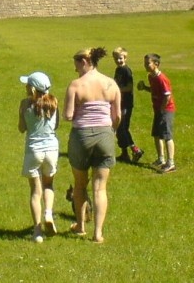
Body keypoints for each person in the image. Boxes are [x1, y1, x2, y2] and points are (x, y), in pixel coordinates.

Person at [63, 47, 121, 244]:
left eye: (76, 65)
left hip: (82, 136)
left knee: (80, 184)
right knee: (100, 187)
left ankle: (80, 226)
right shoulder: (111, 83)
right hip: (105, 135)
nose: (76, 70)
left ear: (85, 62)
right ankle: (97, 233)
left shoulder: (76, 85)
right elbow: (118, 116)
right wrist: (110, 130)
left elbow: (68, 116)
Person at [18, 71, 60, 243]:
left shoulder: (25, 104)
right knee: (48, 184)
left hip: (33, 150)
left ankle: (37, 231)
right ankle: (48, 213)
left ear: (33, 89)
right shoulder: (54, 103)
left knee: (35, 191)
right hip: (51, 149)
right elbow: (55, 126)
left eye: (28, 85)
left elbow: (22, 128)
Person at [137, 53, 177, 173]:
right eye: (144, 63)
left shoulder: (161, 78)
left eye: (148, 63)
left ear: (156, 64)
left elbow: (167, 96)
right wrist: (145, 87)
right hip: (158, 110)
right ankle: (161, 159)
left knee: (166, 135)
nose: (145, 65)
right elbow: (155, 91)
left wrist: (162, 109)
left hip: (165, 110)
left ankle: (171, 163)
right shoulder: (151, 76)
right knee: (156, 134)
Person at [112, 48, 144, 163]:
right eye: (116, 58)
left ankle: (135, 150)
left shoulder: (126, 71)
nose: (118, 61)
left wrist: (116, 90)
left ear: (125, 58)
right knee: (119, 128)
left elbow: (129, 87)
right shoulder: (118, 70)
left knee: (123, 128)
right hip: (119, 103)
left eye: (120, 58)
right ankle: (124, 153)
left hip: (126, 104)